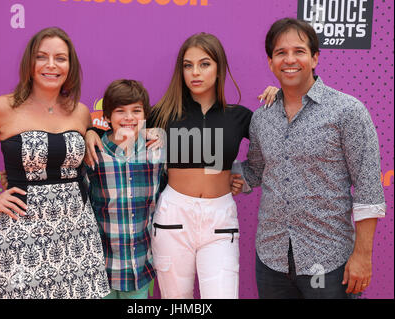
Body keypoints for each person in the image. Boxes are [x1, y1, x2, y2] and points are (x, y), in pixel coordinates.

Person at [85, 32, 278, 299]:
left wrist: (281, 98)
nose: (195, 72)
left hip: (220, 220)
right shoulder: (163, 113)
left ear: (219, 67)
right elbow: (122, 121)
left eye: (204, 64)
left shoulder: (239, 116)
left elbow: (279, 141)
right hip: (173, 218)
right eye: (188, 65)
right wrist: (89, 130)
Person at [0, 27, 110, 299]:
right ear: (29, 63)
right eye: (42, 57)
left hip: (76, 231)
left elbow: (87, 142)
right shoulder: (2, 108)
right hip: (23, 231)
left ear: (70, 66)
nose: (51, 65)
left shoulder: (79, 112)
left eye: (60, 58)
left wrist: (92, 130)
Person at [232, 18, 386, 299]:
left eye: (299, 51)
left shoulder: (347, 111)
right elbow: (254, 171)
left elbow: (368, 188)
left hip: (328, 262)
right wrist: (201, 171)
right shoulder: (262, 117)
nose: (290, 59)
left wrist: (362, 256)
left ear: (315, 58)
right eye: (281, 53)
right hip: (272, 260)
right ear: (270, 62)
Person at [85, 79, 164, 299]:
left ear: (145, 116)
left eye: (136, 111)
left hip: (139, 266)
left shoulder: (157, 152)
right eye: (120, 111)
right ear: (107, 117)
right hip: (100, 267)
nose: (129, 117)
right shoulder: (93, 154)